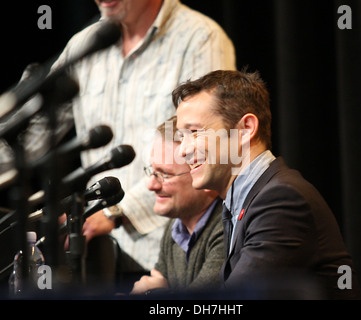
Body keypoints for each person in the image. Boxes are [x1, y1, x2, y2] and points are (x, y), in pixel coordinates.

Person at [0, 0, 234, 278]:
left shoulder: (200, 37)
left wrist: (113, 211)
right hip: (96, 254)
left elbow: (212, 154)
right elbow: (29, 138)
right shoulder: (87, 43)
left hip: (170, 255)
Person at [173, 70, 361, 299]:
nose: (183, 150)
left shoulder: (281, 199)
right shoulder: (246, 198)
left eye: (194, 132)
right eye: (181, 137)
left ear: (245, 129)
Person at [130, 116, 224, 295]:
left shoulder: (227, 228)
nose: (152, 185)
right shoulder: (176, 226)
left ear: (205, 175)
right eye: (152, 171)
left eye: (165, 174)